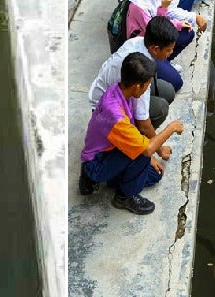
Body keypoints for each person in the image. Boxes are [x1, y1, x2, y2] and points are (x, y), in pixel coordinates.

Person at [79, 52, 185, 215]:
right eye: (147, 85)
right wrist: (171, 128)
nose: (146, 90)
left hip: (109, 151)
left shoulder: (118, 90)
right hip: (97, 161)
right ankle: (123, 196)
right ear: (137, 86)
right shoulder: (116, 116)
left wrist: (149, 158)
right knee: (143, 153)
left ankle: (108, 178)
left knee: (153, 176)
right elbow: (147, 149)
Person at [89, 16, 183, 137]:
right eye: (169, 50)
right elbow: (143, 123)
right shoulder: (139, 70)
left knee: (168, 91)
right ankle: (134, 139)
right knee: (161, 108)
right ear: (155, 49)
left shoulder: (138, 42)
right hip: (105, 108)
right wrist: (158, 147)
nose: (171, 53)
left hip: (116, 89)